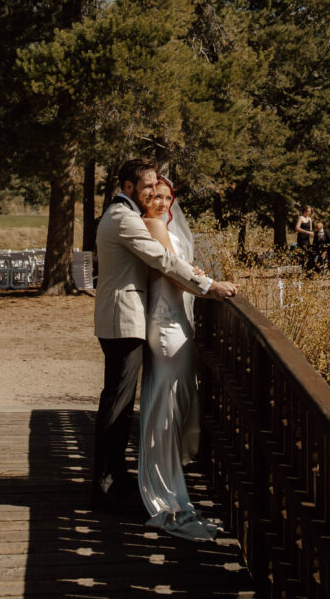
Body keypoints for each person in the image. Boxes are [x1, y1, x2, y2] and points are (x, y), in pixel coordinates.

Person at [92, 158, 237, 515]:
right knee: (117, 403)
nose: (152, 196)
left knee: (121, 402)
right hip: (123, 319)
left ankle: (117, 476)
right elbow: (162, 261)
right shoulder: (124, 218)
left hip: (127, 318)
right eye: (145, 188)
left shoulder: (122, 214)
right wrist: (208, 286)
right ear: (128, 188)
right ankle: (106, 484)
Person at [138, 177, 216, 539]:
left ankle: (170, 479)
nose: (163, 203)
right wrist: (209, 285)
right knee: (165, 409)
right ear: (145, 198)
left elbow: (176, 263)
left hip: (177, 319)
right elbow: (169, 267)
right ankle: (165, 492)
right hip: (166, 323)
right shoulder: (151, 224)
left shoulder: (164, 224)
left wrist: (194, 270)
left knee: (172, 404)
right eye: (156, 196)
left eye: (168, 197)